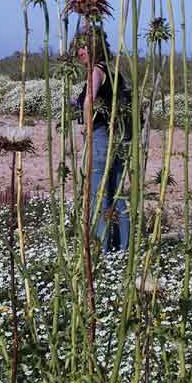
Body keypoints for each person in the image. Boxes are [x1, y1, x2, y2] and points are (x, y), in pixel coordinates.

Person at [73, 27, 130, 252]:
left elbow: (89, 101)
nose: (79, 52)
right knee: (117, 194)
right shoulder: (113, 72)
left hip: (99, 137)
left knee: (98, 196)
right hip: (115, 138)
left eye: (83, 46)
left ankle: (102, 250)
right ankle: (124, 247)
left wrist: (87, 129)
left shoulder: (95, 72)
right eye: (77, 46)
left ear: (95, 47)